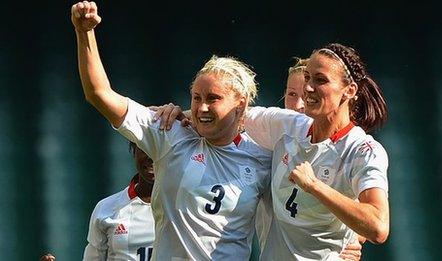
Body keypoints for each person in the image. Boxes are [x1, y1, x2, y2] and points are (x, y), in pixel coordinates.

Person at [71, 2, 272, 260]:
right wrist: (84, 32)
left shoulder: (262, 158)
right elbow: (99, 94)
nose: (202, 108)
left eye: (213, 98)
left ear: (240, 103)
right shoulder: (169, 132)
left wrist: (343, 244)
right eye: (196, 98)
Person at [243, 43, 390, 260]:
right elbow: (227, 115)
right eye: (307, 78)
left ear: (349, 91)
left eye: (320, 80)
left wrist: (314, 186)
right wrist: (178, 117)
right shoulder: (287, 125)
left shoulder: (363, 151)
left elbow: (378, 227)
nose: (308, 88)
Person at [82, 142, 155, 261]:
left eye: (158, 147)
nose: (151, 156)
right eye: (144, 147)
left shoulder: (189, 206)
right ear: (134, 151)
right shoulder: (106, 208)